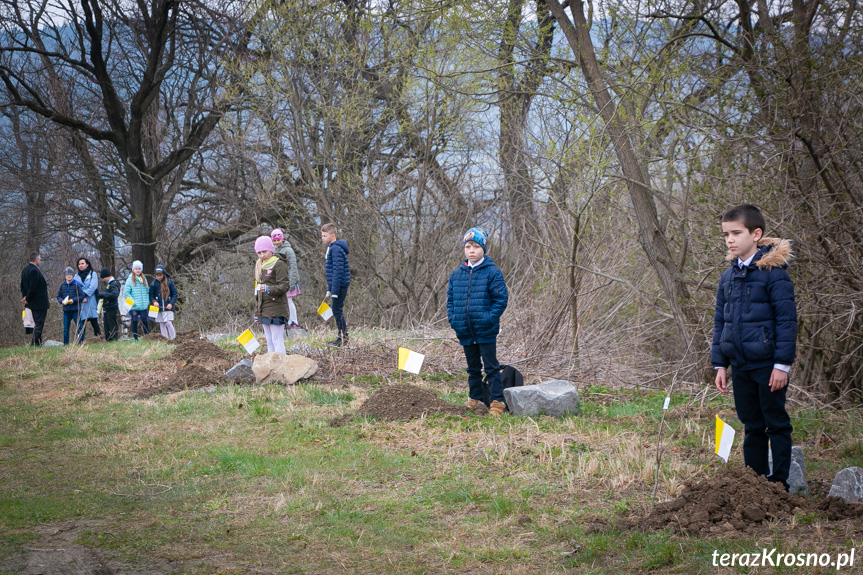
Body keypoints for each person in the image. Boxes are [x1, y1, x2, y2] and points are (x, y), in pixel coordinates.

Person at [712, 204, 797, 491]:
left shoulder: (775, 275)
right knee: (751, 425)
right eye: (726, 235)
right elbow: (720, 322)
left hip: (768, 365)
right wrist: (720, 364)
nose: (730, 240)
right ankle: (756, 485)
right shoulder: (728, 277)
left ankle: (780, 485)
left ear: (756, 234)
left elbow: (787, 322)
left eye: (736, 233)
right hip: (741, 366)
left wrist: (782, 365)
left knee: (776, 424)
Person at [446, 227, 509, 417]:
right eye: (468, 246)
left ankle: (497, 402)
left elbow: (500, 299)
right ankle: (476, 400)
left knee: (491, 367)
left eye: (475, 246)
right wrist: (454, 320)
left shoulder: (492, 273)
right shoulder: (457, 275)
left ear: (483, 248)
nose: (471, 250)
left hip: (485, 329)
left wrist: (489, 318)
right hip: (465, 330)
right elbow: (450, 301)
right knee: (473, 369)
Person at [254, 235, 291, 354]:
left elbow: (285, 286)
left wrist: (269, 289)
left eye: (264, 251)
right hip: (264, 309)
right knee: (269, 341)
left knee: (277, 340)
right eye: (259, 253)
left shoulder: (279, 264)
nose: (262, 255)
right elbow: (258, 293)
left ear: (271, 249)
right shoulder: (259, 266)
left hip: (277, 307)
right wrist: (257, 312)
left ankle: (281, 366)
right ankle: (272, 367)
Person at [322, 223, 350, 346]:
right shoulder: (331, 248)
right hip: (335, 285)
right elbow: (330, 272)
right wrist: (329, 288)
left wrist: (335, 290)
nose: (322, 238)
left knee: (337, 310)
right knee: (336, 310)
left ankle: (343, 337)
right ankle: (341, 336)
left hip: (340, 285)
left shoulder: (336, 249)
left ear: (332, 236)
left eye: (324, 236)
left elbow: (338, 271)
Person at [270, 228, 301, 329]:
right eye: (274, 241)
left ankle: (294, 321)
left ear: (282, 239)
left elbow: (293, 266)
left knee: (289, 301)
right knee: (282, 302)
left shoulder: (288, 250)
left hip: (288, 280)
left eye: (278, 240)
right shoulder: (273, 250)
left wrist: (291, 282)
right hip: (279, 281)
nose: (276, 242)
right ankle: (287, 321)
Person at [20, 251, 50, 346]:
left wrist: (25, 297)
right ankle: (33, 344)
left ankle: (38, 343)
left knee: (36, 324)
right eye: (39, 259)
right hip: (38, 303)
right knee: (39, 324)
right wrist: (27, 298)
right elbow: (33, 287)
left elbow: (22, 286)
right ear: (37, 259)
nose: (40, 261)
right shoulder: (34, 271)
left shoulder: (25, 270)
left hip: (31, 302)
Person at [56, 266, 86, 345]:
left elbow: (81, 296)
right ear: (65, 276)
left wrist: (74, 300)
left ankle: (81, 342)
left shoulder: (77, 285)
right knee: (66, 329)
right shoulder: (62, 286)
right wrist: (61, 301)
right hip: (66, 310)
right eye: (67, 274)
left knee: (79, 327)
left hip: (75, 309)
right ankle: (66, 344)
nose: (69, 276)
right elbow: (58, 296)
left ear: (73, 275)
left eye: (70, 274)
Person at [123, 260, 150, 340]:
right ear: (133, 270)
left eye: (139, 268)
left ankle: (147, 336)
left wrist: (147, 301)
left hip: (143, 305)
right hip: (134, 306)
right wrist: (133, 302)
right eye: (136, 268)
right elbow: (126, 293)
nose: (137, 270)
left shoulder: (144, 279)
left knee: (145, 321)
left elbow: (147, 291)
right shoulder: (129, 280)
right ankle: (135, 337)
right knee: (134, 321)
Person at [149, 265, 178, 340]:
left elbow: (175, 294)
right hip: (159, 308)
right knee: (162, 324)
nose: (159, 277)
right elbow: (151, 295)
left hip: (168, 307)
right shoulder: (153, 284)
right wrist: (154, 302)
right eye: (157, 275)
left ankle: (173, 339)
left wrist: (171, 303)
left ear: (163, 274)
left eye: (160, 275)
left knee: (168, 322)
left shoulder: (169, 282)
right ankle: (165, 340)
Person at [76, 257, 101, 339]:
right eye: (79, 264)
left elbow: (93, 286)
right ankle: (81, 340)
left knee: (94, 320)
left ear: (87, 264)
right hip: (81, 301)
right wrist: (81, 297)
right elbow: (75, 288)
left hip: (91, 300)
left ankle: (98, 338)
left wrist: (85, 294)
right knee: (82, 322)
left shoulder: (92, 274)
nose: (81, 265)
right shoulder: (76, 276)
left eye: (82, 263)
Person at [97, 268, 121, 341]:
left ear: (106, 276)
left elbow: (114, 294)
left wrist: (103, 294)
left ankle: (114, 338)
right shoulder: (107, 284)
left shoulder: (114, 283)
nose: (103, 279)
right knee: (106, 325)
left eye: (103, 278)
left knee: (112, 324)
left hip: (112, 307)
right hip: (106, 308)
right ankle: (108, 339)